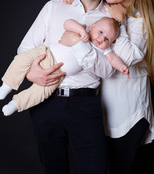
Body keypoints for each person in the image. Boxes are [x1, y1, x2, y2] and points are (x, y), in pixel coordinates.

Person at [15, 0, 118, 174]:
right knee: (54, 168)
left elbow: (109, 70)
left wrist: (82, 46)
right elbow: (24, 49)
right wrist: (31, 73)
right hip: (45, 101)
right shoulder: (54, 6)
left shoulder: (113, 17)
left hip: (85, 104)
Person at [59, 0, 154, 173]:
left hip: (129, 115)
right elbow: (84, 15)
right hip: (102, 111)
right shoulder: (108, 11)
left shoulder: (138, 17)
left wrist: (120, 25)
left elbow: (128, 57)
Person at [0, 17, 128, 116]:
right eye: (100, 32)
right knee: (21, 60)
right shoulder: (83, 29)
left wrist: (121, 66)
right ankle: (7, 85)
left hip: (58, 74)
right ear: (93, 25)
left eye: (107, 39)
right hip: (45, 54)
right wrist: (80, 30)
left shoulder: (103, 50)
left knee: (39, 94)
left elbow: (112, 59)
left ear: (111, 43)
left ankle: (16, 104)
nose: (101, 38)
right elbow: (67, 23)